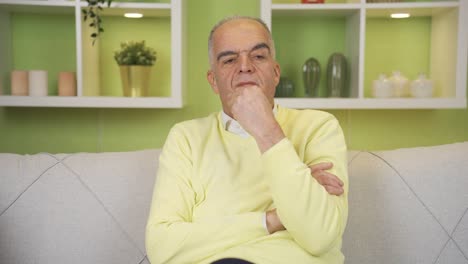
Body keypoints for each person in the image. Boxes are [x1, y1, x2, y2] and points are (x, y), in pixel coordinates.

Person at [146, 16, 348, 264]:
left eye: (258, 56)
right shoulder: (186, 138)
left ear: (275, 73)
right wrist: (273, 219)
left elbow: (319, 236)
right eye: (230, 60)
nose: (245, 66)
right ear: (213, 82)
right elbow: (161, 247)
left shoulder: (319, 127)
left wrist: (267, 130)